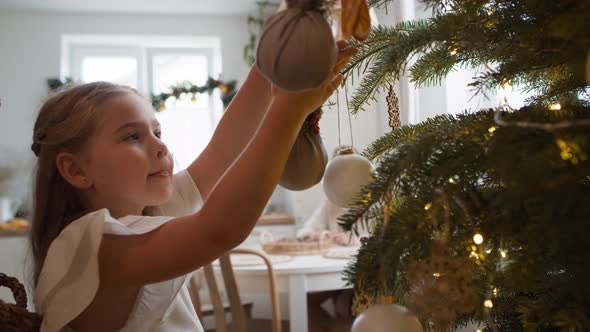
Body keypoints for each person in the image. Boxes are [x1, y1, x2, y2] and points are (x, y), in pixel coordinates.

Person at [29, 41, 356, 332]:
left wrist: (269, 63)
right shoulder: (85, 246)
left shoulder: (150, 213)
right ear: (75, 169)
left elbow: (223, 151)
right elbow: (217, 230)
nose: (160, 148)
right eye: (132, 136)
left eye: (158, 133)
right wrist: (289, 110)